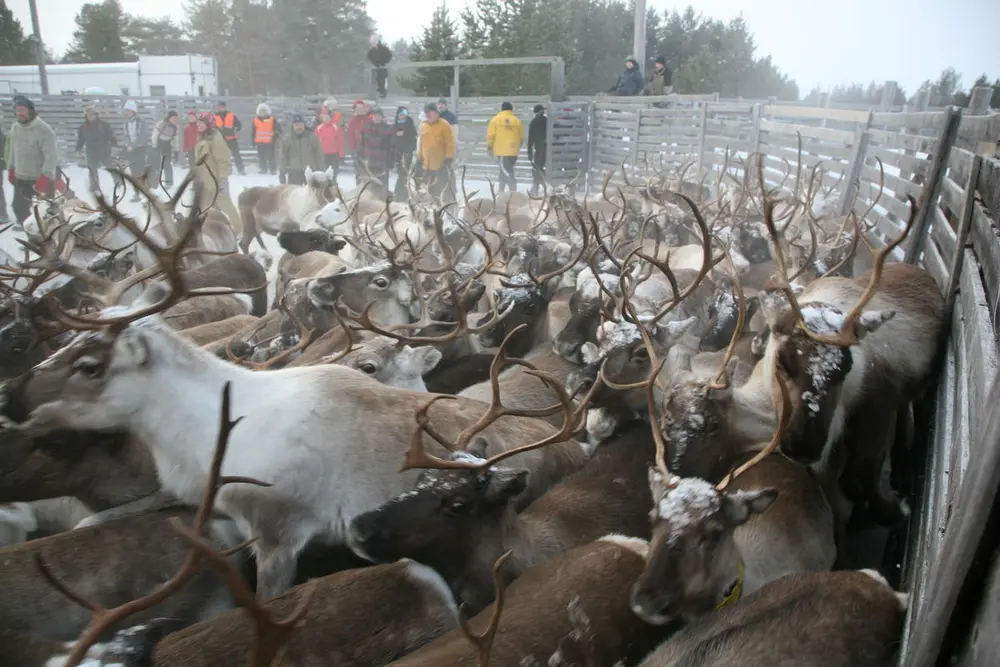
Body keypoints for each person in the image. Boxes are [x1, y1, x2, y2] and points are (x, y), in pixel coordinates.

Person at [6, 96, 62, 226]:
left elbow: (51, 155)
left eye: (23, 110)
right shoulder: (15, 127)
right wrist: (11, 168)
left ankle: (49, 238)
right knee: (19, 207)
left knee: (46, 210)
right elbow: (13, 149)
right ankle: (31, 234)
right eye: (17, 110)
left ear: (30, 110)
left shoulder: (44, 129)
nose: (20, 113)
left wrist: (45, 176)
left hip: (40, 178)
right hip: (21, 177)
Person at [193, 112, 242, 238]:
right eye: (197, 122)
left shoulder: (215, 138)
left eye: (201, 122)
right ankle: (213, 231)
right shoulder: (201, 138)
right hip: (205, 182)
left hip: (216, 180)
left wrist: (223, 179)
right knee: (206, 209)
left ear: (208, 124)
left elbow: (223, 159)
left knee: (225, 204)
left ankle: (239, 230)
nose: (197, 124)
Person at [417, 103, 456, 199]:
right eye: (426, 113)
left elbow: (450, 143)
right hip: (427, 166)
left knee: (443, 192)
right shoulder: (423, 126)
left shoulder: (444, 125)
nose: (427, 115)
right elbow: (421, 144)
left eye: (429, 113)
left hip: (441, 166)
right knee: (430, 192)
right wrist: (419, 158)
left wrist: (448, 157)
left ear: (436, 113)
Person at [75, 105, 116, 193]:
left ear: (96, 115)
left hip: (104, 149)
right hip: (91, 151)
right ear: (86, 116)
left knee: (110, 167)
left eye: (93, 114)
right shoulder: (83, 126)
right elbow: (81, 139)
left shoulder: (104, 124)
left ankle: (118, 182)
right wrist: (78, 149)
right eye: (89, 115)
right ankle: (95, 186)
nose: (91, 116)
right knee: (92, 169)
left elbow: (111, 135)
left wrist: (115, 144)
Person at [486, 102, 524, 194]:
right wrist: (517, 147)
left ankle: (513, 191)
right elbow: (521, 137)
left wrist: (489, 147)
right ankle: (501, 190)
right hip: (513, 152)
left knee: (507, 171)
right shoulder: (517, 120)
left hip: (502, 151)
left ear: (502, 109)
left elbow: (491, 135)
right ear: (511, 110)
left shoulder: (495, 120)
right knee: (504, 170)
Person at [278, 113, 323, 186]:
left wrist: (321, 172)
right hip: (294, 172)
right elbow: (283, 157)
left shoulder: (312, 137)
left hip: (310, 172)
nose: (299, 127)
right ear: (292, 125)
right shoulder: (287, 139)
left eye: (301, 124)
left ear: (304, 125)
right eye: (296, 125)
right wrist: (282, 173)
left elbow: (319, 155)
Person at [358, 106, 395, 190]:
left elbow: (391, 146)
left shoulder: (388, 128)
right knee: (370, 185)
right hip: (370, 162)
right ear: (372, 116)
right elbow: (361, 144)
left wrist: (390, 161)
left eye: (379, 115)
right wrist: (361, 158)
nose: (377, 117)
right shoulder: (366, 127)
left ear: (382, 116)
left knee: (383, 185)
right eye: (375, 115)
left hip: (382, 162)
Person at [122, 100, 149, 201]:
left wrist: (133, 145)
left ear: (134, 111)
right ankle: (136, 193)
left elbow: (143, 136)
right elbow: (125, 135)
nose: (127, 113)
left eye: (128, 110)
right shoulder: (127, 123)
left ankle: (146, 192)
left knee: (141, 171)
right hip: (131, 150)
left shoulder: (141, 122)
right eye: (126, 111)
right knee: (133, 173)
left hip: (140, 150)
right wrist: (127, 144)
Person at [213, 100, 245, 176]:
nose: (222, 108)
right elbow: (211, 126)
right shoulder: (214, 116)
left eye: (223, 106)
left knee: (236, 155)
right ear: (217, 107)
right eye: (220, 106)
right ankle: (221, 170)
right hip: (220, 140)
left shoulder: (232, 115)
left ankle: (241, 170)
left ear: (226, 107)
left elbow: (239, 125)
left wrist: (236, 128)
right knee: (219, 156)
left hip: (231, 139)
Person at [392, 107, 417, 201]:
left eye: (404, 115)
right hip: (398, 153)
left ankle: (402, 194)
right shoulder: (395, 124)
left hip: (407, 153)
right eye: (401, 115)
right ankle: (400, 194)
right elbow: (392, 138)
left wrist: (404, 134)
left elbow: (413, 137)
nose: (402, 117)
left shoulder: (410, 124)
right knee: (401, 174)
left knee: (404, 174)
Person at [345, 99, 372, 185]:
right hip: (357, 149)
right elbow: (350, 135)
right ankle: (359, 187)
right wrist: (353, 147)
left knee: (368, 170)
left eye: (362, 108)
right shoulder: (352, 121)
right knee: (358, 171)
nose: (360, 110)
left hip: (368, 148)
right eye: (358, 108)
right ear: (355, 109)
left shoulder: (368, 120)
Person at [151, 110, 179, 189]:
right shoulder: (162, 123)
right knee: (156, 165)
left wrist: (176, 148)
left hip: (167, 146)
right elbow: (155, 134)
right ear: (169, 117)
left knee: (167, 164)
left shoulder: (174, 127)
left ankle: (169, 182)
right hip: (159, 145)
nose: (175, 119)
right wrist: (154, 145)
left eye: (176, 118)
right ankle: (154, 182)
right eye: (174, 118)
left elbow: (176, 139)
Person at [251, 103, 281, 175]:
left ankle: (272, 169)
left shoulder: (272, 119)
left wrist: (276, 133)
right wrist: (253, 141)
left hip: (270, 142)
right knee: (261, 157)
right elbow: (253, 132)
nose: (263, 113)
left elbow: (278, 129)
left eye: (264, 111)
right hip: (259, 142)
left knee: (271, 157)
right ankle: (263, 168)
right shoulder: (255, 120)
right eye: (261, 111)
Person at [314, 109, 344, 181]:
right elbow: (315, 143)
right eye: (325, 117)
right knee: (323, 174)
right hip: (323, 155)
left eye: (328, 117)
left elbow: (340, 142)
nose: (326, 119)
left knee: (333, 175)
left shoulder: (336, 128)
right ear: (322, 118)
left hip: (334, 155)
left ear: (331, 117)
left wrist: (341, 155)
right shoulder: (319, 128)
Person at [526, 104, 547, 196]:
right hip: (549, 149)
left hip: (538, 149)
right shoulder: (548, 121)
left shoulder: (533, 122)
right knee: (543, 168)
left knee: (537, 168)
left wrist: (529, 153)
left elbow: (530, 139)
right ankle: (545, 187)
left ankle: (536, 188)